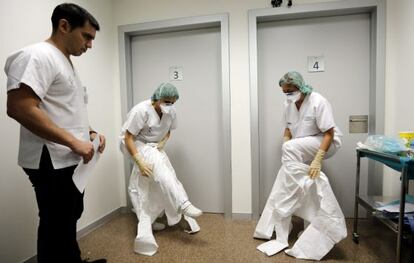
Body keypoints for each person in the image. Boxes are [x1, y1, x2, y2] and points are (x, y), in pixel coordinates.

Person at [5, 3, 106, 263]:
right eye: (87, 36)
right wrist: (74, 142)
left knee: (69, 217)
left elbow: (65, 109)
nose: (90, 45)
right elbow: (19, 107)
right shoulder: (38, 55)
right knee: (55, 225)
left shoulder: (65, 62)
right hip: (50, 160)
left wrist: (90, 133)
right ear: (64, 26)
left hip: (70, 157)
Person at [253, 71, 346, 260]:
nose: (287, 94)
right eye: (284, 92)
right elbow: (288, 127)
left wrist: (318, 159)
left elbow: (329, 132)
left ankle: (290, 198)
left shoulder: (318, 101)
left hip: (325, 143)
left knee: (290, 154)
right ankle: (307, 227)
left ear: (301, 88)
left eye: (290, 91)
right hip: (304, 145)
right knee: (302, 182)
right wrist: (286, 143)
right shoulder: (288, 104)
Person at [120, 82, 202, 255]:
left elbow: (169, 130)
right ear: (156, 98)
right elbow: (128, 137)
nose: (169, 105)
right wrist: (138, 160)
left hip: (154, 146)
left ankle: (149, 220)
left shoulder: (171, 111)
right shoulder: (140, 111)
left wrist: (163, 141)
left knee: (158, 180)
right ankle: (183, 203)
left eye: (172, 102)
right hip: (135, 145)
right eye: (166, 101)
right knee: (157, 163)